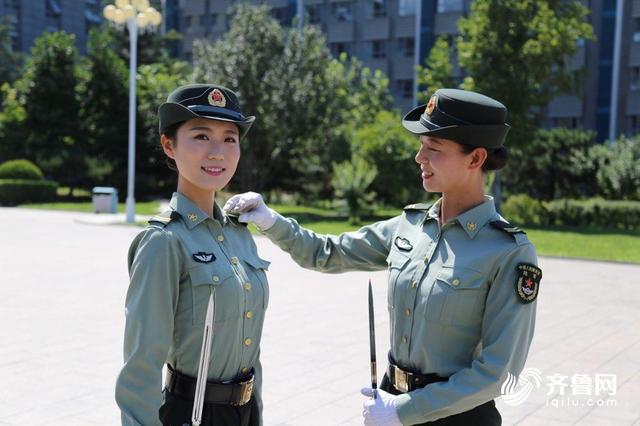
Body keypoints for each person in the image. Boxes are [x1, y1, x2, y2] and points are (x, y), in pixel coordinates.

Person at [224, 89, 541, 426]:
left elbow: (498, 372)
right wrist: (269, 220)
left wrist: (402, 412)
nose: (419, 158)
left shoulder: (509, 252)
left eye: (433, 149)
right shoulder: (410, 226)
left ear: (475, 159)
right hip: (390, 399)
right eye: (421, 147)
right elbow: (327, 253)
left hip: (456, 416)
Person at [115, 84, 271, 426]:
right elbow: (140, 365)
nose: (218, 152)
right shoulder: (163, 241)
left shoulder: (240, 234)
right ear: (169, 145)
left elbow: (249, 342)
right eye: (201, 136)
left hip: (245, 411)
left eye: (230, 139)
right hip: (192, 414)